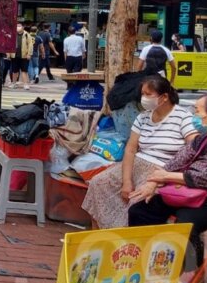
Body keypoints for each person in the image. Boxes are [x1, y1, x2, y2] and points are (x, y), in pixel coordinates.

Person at [128, 94, 207, 283]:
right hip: (186, 195)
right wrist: (154, 182)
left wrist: (165, 177)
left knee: (186, 220)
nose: (193, 115)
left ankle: (194, 269)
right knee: (140, 209)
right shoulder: (202, 141)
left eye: (197, 111)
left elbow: (205, 178)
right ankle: (145, 259)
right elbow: (175, 163)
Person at [82, 75, 197, 228]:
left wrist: (163, 177)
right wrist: (127, 181)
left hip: (161, 171)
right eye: (142, 94)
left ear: (164, 97)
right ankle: (97, 237)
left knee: (138, 201)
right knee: (98, 183)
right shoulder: (143, 117)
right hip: (136, 163)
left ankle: (125, 243)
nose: (144, 98)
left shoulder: (183, 117)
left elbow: (194, 148)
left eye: (148, 94)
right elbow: (130, 149)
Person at [8, 23, 34, 88]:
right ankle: (14, 83)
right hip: (14, 55)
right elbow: (9, 45)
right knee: (14, 71)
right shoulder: (13, 35)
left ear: (23, 27)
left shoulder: (27, 35)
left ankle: (25, 84)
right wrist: (8, 54)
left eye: (19, 26)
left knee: (24, 71)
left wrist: (29, 54)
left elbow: (30, 45)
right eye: (16, 26)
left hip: (24, 56)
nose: (17, 27)